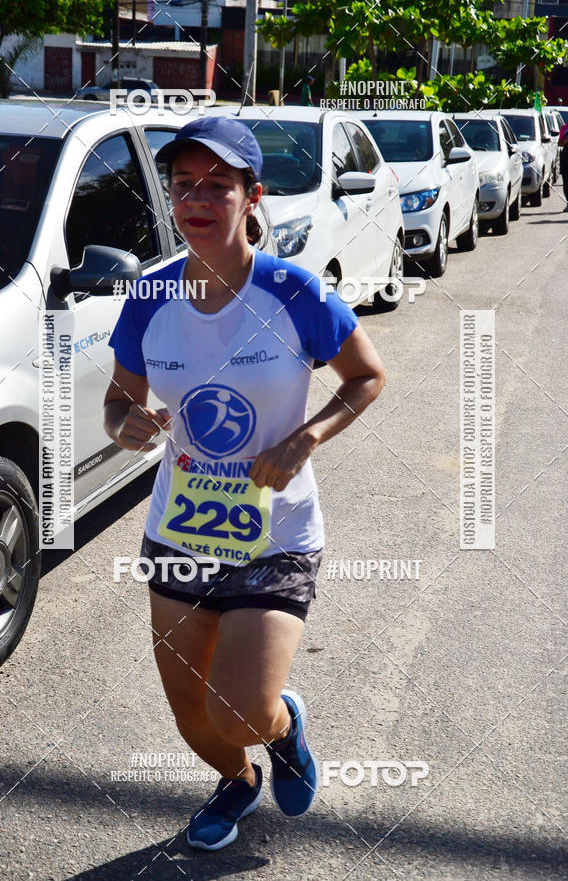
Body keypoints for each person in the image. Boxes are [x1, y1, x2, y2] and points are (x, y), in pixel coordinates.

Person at [103, 116, 385, 850]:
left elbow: (366, 376)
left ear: (252, 196)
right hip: (180, 532)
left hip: (275, 534)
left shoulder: (293, 291)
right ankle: (236, 782)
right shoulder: (149, 295)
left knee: (241, 711)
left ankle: (282, 732)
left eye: (217, 186)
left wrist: (306, 437)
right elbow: (118, 401)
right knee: (192, 712)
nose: (196, 200)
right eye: (182, 185)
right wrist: (125, 424)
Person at [558, 121, 568, 212]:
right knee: (566, 182)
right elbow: (559, 143)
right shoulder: (564, 128)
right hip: (566, 159)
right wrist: (565, 140)